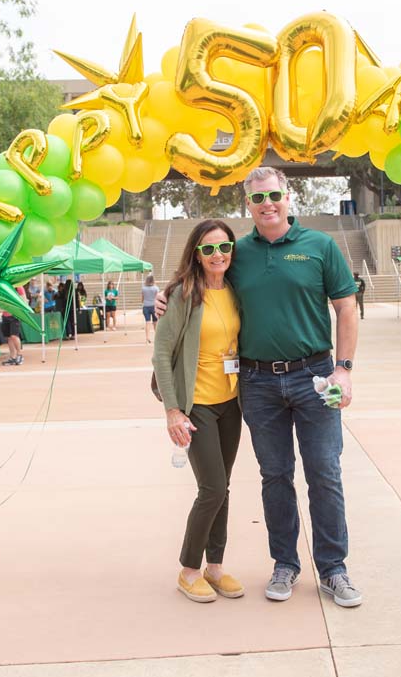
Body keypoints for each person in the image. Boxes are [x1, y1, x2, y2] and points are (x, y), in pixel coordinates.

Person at [157, 166, 362, 608]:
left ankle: (334, 569)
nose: (266, 205)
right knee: (275, 476)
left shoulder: (320, 246)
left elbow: (346, 309)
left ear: (288, 196)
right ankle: (284, 563)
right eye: (257, 199)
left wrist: (343, 369)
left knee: (325, 473)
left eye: (273, 196)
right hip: (257, 381)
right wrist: (166, 296)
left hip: (315, 376)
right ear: (246, 204)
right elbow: (203, 282)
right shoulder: (238, 252)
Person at [153, 220, 244, 603]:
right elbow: (161, 352)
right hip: (197, 407)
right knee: (210, 488)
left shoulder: (238, 290)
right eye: (208, 249)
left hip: (231, 402)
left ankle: (216, 567)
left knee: (222, 487)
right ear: (196, 253)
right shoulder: (183, 294)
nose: (217, 255)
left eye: (224, 248)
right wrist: (173, 411)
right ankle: (189, 570)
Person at [1, 286, 26, 365]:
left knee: (14, 336)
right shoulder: (4, 286)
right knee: (9, 337)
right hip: (5, 315)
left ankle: (19, 355)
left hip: (15, 315)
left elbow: (23, 301)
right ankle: (13, 357)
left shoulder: (18, 287)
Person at [142, 274, 159, 344]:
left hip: (146, 306)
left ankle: (147, 338)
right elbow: (157, 297)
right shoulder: (156, 288)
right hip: (154, 306)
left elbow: (142, 298)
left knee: (147, 322)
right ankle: (157, 338)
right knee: (155, 323)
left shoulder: (143, 288)